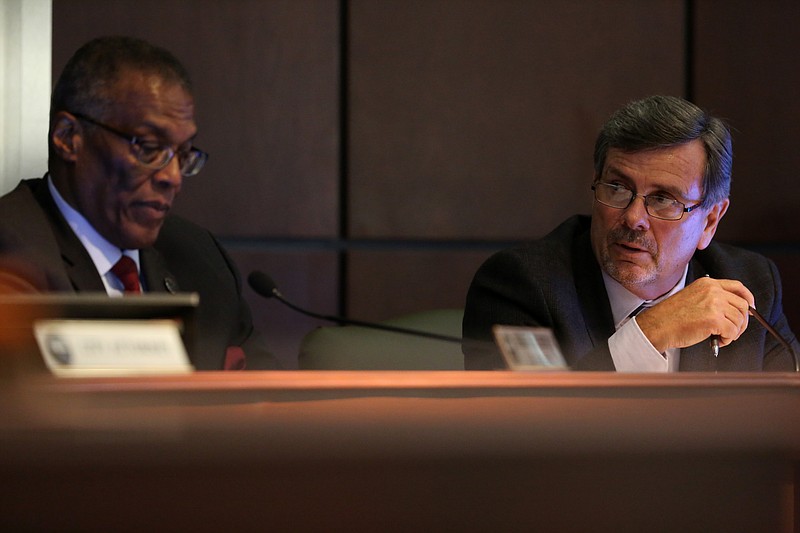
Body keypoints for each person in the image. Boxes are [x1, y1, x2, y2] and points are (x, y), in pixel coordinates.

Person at [463, 95, 798, 371]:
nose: (633, 217)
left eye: (664, 199)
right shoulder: (522, 285)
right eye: (618, 188)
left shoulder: (749, 284)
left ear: (710, 221)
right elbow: (526, 428)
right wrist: (650, 333)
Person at [0, 36, 276, 370]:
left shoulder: (203, 261)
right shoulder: (12, 251)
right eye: (148, 148)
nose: (172, 177)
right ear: (68, 137)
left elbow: (266, 405)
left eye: (183, 154)